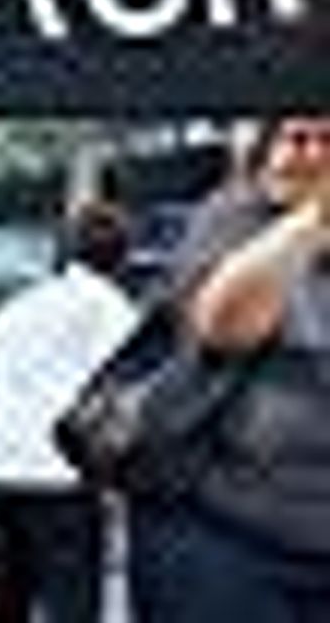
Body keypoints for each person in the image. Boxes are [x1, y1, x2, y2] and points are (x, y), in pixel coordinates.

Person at [127, 116, 330, 622]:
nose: (311, 155)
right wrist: (315, 218)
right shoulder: (234, 218)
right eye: (298, 138)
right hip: (224, 534)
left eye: (328, 142)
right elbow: (225, 323)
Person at [0, 198, 139, 623]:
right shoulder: (114, 310)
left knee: (4, 603)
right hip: (61, 479)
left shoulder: (21, 305)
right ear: (122, 256)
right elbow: (129, 394)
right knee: (72, 608)